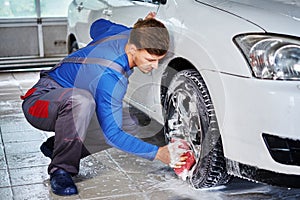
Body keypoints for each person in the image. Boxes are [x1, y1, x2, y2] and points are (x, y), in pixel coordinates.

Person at [21, 12, 186, 196]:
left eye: (158, 60)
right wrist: (158, 153)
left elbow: (96, 25)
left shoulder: (122, 33)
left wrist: (142, 29)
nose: (155, 66)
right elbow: (112, 136)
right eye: (150, 59)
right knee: (82, 101)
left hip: (69, 101)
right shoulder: (111, 78)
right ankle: (61, 170)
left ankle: (56, 147)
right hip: (40, 101)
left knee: (130, 123)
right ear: (132, 49)